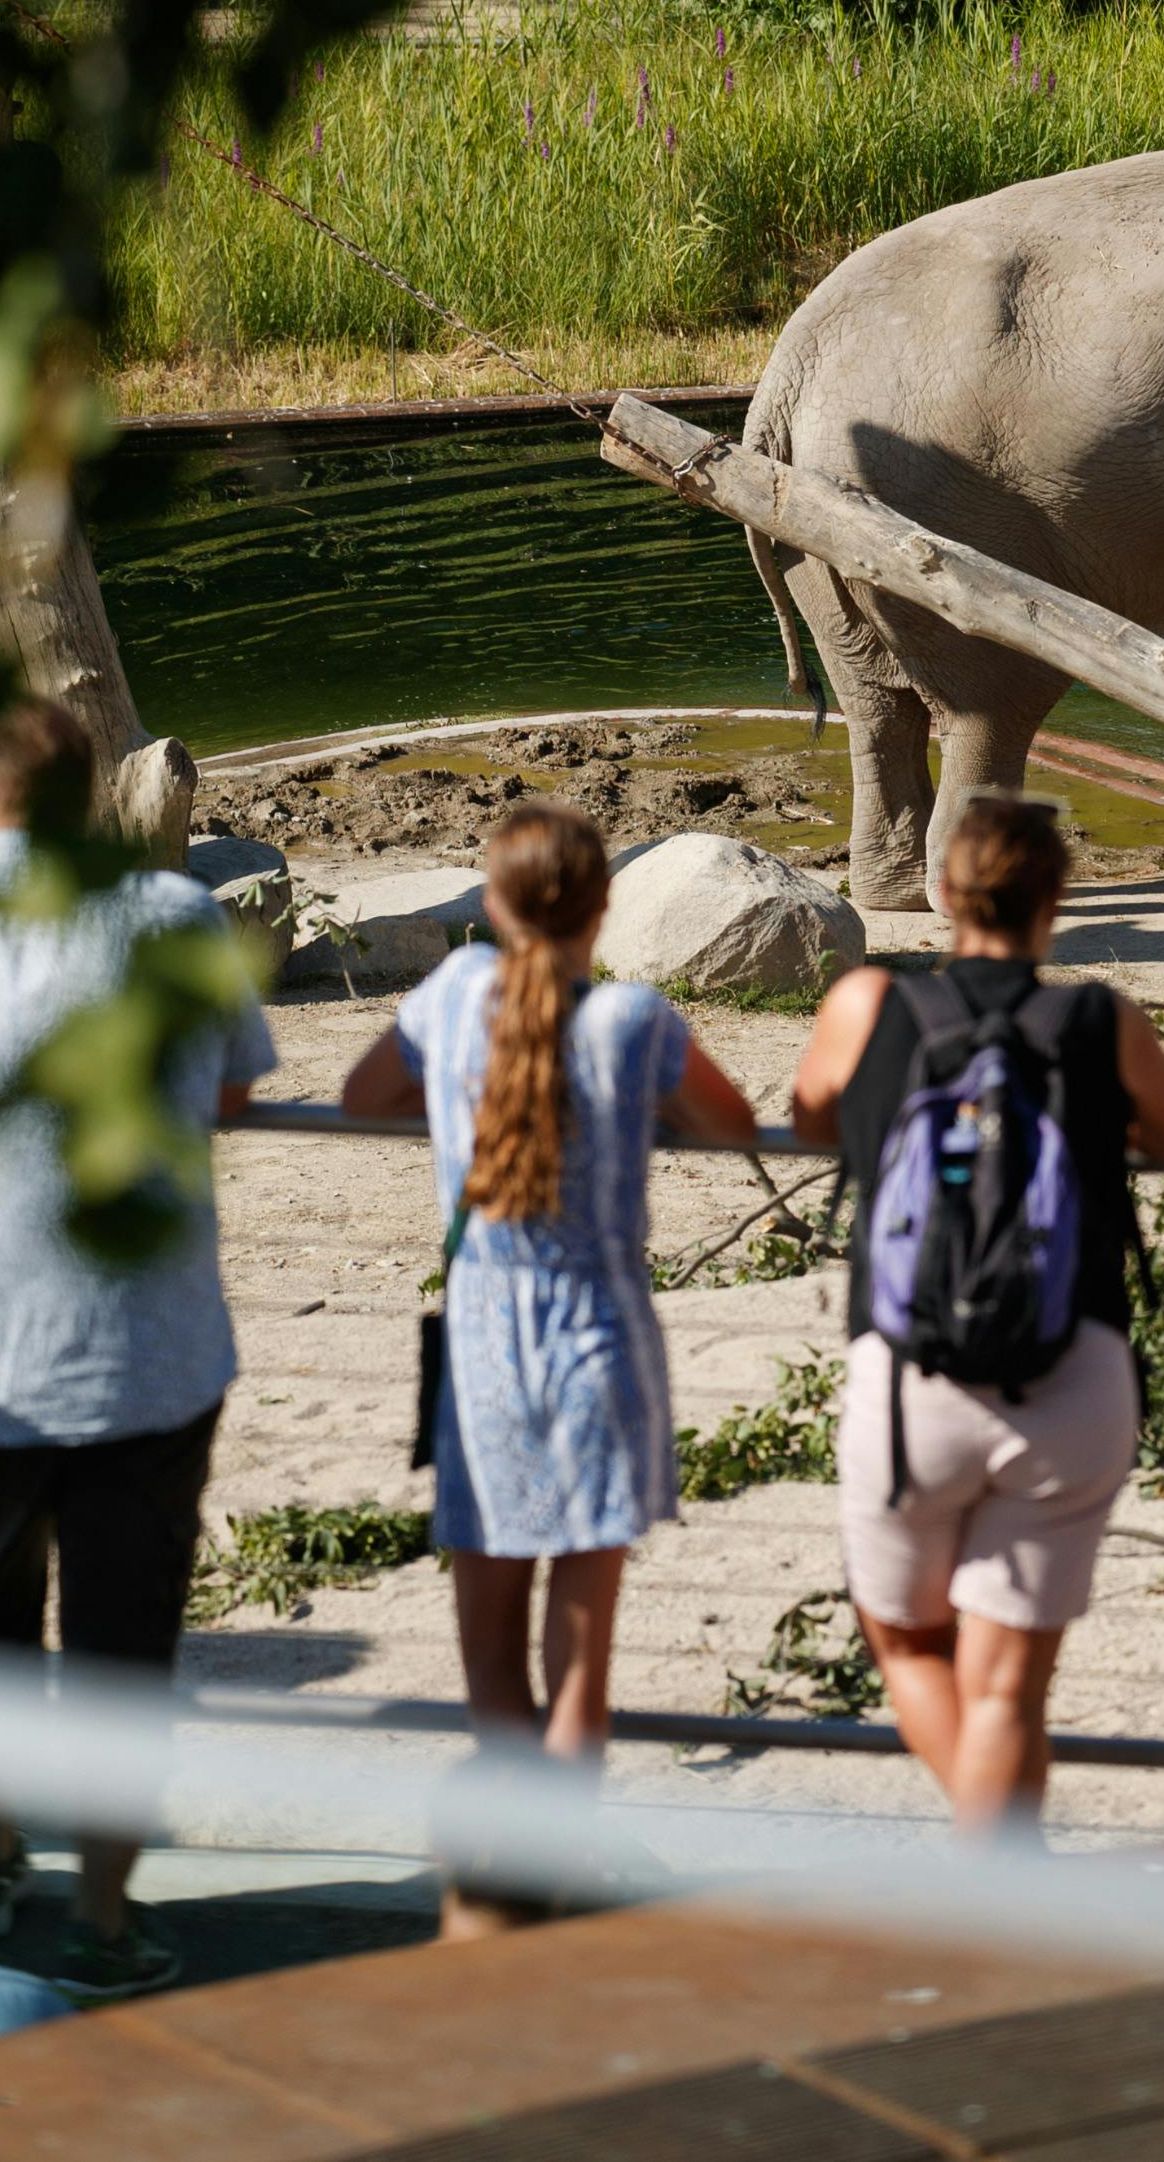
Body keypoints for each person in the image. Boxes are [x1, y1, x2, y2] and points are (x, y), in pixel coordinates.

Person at [0, 703, 272, 2001]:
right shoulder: (173, 917)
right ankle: (106, 1918)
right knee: (124, 1638)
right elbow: (232, 1084)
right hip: (144, 1353)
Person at [340, 803, 758, 1939]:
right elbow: (734, 1123)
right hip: (600, 1350)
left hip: (481, 1355)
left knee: (494, 1677)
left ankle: (501, 1888)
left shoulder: (450, 1002)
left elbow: (358, 1097)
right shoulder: (632, 1020)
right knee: (583, 1671)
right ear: (602, 905)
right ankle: (559, 1880)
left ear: (493, 904)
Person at [786, 795, 1164, 1837]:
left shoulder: (868, 1000)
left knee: (907, 1646)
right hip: (1073, 1377)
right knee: (1009, 1693)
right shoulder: (1099, 1019)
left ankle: (1006, 1889)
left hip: (909, 1383)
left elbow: (807, 1116)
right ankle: (1007, 1891)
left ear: (938, 892)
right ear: (1054, 901)